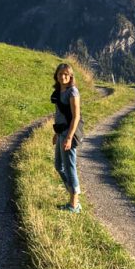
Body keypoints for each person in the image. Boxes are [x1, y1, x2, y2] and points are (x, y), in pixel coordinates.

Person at [51, 63, 82, 213]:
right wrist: (56, 133)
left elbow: (76, 117)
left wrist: (69, 138)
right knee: (59, 166)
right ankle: (73, 195)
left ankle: (74, 204)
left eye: (66, 74)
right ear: (56, 76)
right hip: (61, 132)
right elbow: (60, 114)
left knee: (69, 167)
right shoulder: (59, 91)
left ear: (70, 76)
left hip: (68, 134)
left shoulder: (72, 92)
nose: (63, 76)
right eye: (60, 74)